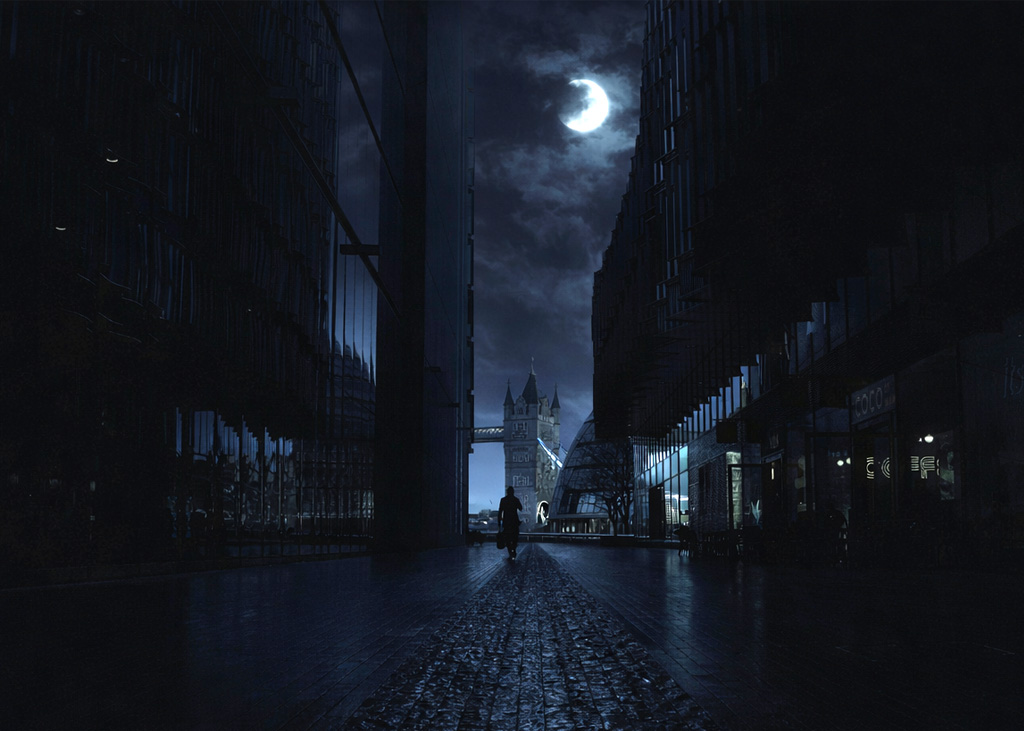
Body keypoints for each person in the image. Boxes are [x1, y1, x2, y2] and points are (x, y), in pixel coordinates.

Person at [498, 485, 523, 560]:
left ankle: (510, 552)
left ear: (507, 492)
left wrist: (499, 522)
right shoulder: (515, 500)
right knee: (515, 537)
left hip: (506, 522)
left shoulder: (503, 500)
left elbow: (500, 512)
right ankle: (514, 550)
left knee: (508, 538)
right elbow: (521, 508)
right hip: (514, 521)